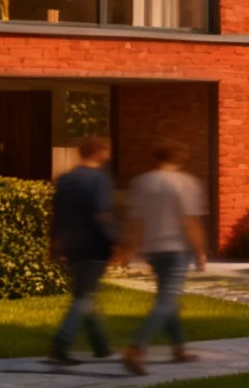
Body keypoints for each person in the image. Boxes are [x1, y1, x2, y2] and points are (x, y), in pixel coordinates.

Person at [121, 139, 208, 375]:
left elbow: (136, 221)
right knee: (166, 301)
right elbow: (191, 222)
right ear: (182, 158)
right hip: (177, 248)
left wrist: (130, 247)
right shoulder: (187, 183)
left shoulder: (141, 183)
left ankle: (179, 348)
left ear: (154, 157)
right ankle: (136, 348)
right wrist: (199, 250)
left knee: (167, 298)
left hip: (153, 249)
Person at [47, 136, 117, 365]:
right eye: (106, 150)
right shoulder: (99, 179)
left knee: (85, 295)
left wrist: (54, 244)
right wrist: (115, 240)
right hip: (94, 245)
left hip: (71, 245)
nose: (109, 154)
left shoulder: (65, 179)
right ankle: (62, 343)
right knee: (83, 298)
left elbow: (56, 215)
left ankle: (101, 346)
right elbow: (100, 213)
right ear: (98, 151)